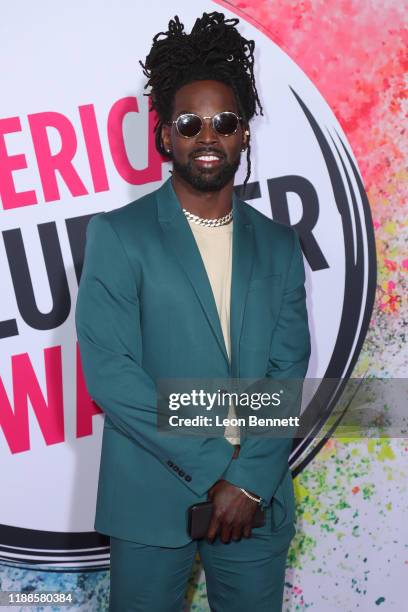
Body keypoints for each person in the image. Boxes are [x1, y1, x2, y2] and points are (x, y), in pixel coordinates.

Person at [75, 11, 311, 612]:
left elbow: (286, 370)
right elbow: (111, 374)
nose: (208, 135)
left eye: (224, 122)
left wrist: (249, 482)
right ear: (165, 136)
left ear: (244, 135)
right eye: (189, 123)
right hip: (151, 498)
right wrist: (216, 474)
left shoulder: (281, 246)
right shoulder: (118, 235)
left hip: (256, 500)